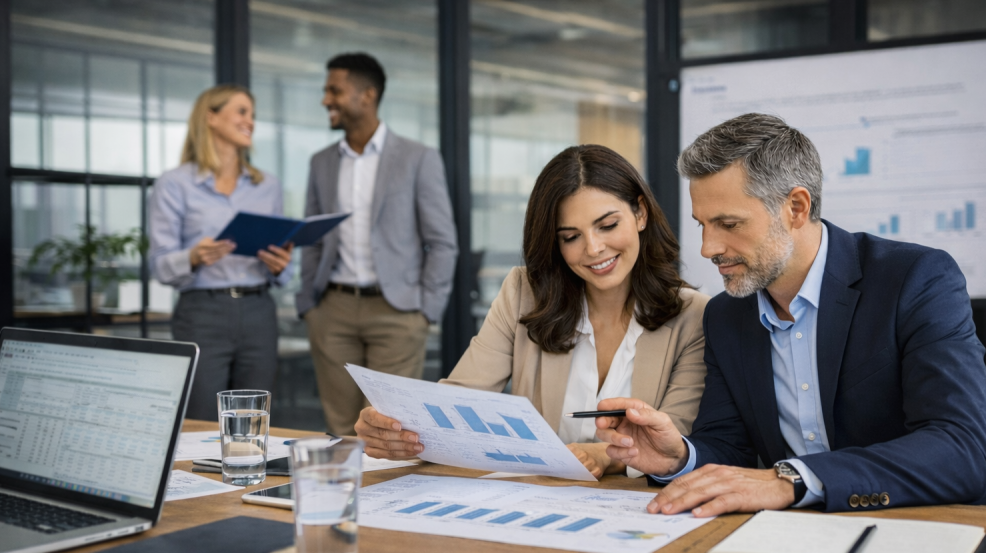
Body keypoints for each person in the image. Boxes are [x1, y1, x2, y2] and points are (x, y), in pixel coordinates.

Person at [595, 113, 986, 512]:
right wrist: (679, 458)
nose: (709, 248)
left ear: (796, 208)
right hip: (813, 538)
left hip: (960, 525)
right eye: (702, 224)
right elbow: (729, 447)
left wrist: (792, 481)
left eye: (729, 224)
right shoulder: (727, 316)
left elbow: (960, 449)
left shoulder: (916, 279)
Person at [355, 145, 710, 478]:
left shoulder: (693, 315)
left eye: (608, 225)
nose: (594, 248)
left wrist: (605, 456)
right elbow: (458, 400)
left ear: (640, 214)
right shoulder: (524, 293)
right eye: (570, 237)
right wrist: (398, 428)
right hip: (537, 496)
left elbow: (676, 435)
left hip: (635, 506)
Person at [297, 53, 458, 437]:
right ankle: (342, 497)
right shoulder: (321, 162)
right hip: (332, 310)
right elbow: (313, 237)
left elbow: (442, 242)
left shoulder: (418, 158)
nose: (326, 100)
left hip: (397, 313)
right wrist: (310, 304)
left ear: (367, 95)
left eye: (334, 90)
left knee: (388, 428)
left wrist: (425, 310)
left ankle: (383, 500)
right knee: (339, 427)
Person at [149, 84, 293, 420]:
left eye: (253, 115)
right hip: (202, 313)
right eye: (242, 112)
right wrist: (194, 256)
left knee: (255, 418)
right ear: (211, 117)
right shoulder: (174, 184)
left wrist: (281, 266)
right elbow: (159, 265)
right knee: (202, 418)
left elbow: (286, 269)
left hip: (259, 311)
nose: (250, 121)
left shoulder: (267, 185)